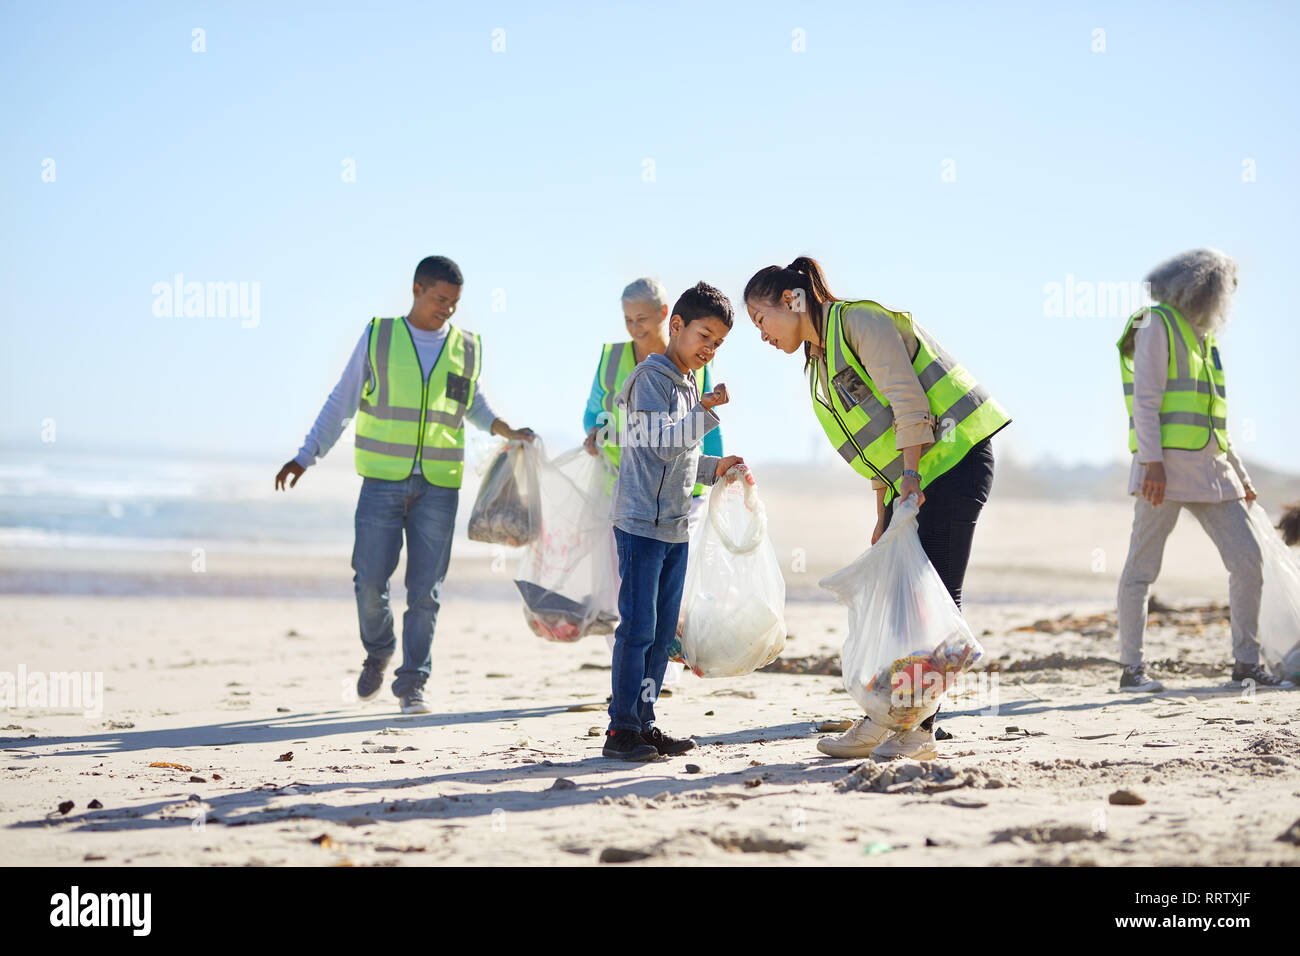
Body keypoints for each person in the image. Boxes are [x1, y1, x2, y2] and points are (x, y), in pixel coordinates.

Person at [744, 257, 1010, 760]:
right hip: (912, 477)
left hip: (952, 463)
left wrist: (909, 479)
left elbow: (910, 404)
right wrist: (883, 507)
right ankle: (892, 721)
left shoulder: (859, 323)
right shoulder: (820, 362)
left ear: (790, 300)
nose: (762, 335)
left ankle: (914, 730)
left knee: (934, 601)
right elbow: (871, 438)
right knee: (904, 602)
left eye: (762, 320)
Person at [274, 256, 536, 714]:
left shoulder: (465, 347)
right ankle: (379, 650)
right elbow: (343, 399)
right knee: (369, 579)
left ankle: (412, 683)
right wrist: (306, 455)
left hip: (439, 486)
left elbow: (470, 402)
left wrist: (503, 428)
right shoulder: (380, 336)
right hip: (382, 481)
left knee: (425, 591)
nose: (447, 310)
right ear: (417, 289)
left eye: (454, 303)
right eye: (440, 300)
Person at [1116, 248, 1294, 692]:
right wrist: (1152, 462)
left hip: (1211, 472)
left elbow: (1214, 419)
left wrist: (1240, 474)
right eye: (1228, 288)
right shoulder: (1157, 323)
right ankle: (1132, 669)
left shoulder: (1205, 337)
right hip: (1164, 471)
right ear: (1206, 287)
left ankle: (1246, 665)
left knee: (1248, 562)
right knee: (1142, 570)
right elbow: (1147, 399)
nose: (1230, 299)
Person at [603, 281, 744, 760]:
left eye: (718, 343)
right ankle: (621, 730)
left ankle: (644, 722)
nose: (709, 348)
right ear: (677, 325)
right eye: (704, 335)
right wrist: (704, 413)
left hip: (675, 527)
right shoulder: (650, 379)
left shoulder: (687, 385)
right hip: (640, 524)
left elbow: (677, 460)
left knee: (663, 636)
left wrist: (715, 468)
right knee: (638, 628)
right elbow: (658, 444)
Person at [583, 277, 725, 686]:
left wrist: (712, 473)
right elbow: (653, 439)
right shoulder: (633, 369)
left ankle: (647, 700)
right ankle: (626, 713)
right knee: (635, 615)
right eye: (628, 319)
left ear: (665, 316)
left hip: (678, 503)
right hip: (633, 500)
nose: (634, 327)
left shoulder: (693, 366)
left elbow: (698, 438)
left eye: (641, 318)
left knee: (663, 616)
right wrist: (596, 432)